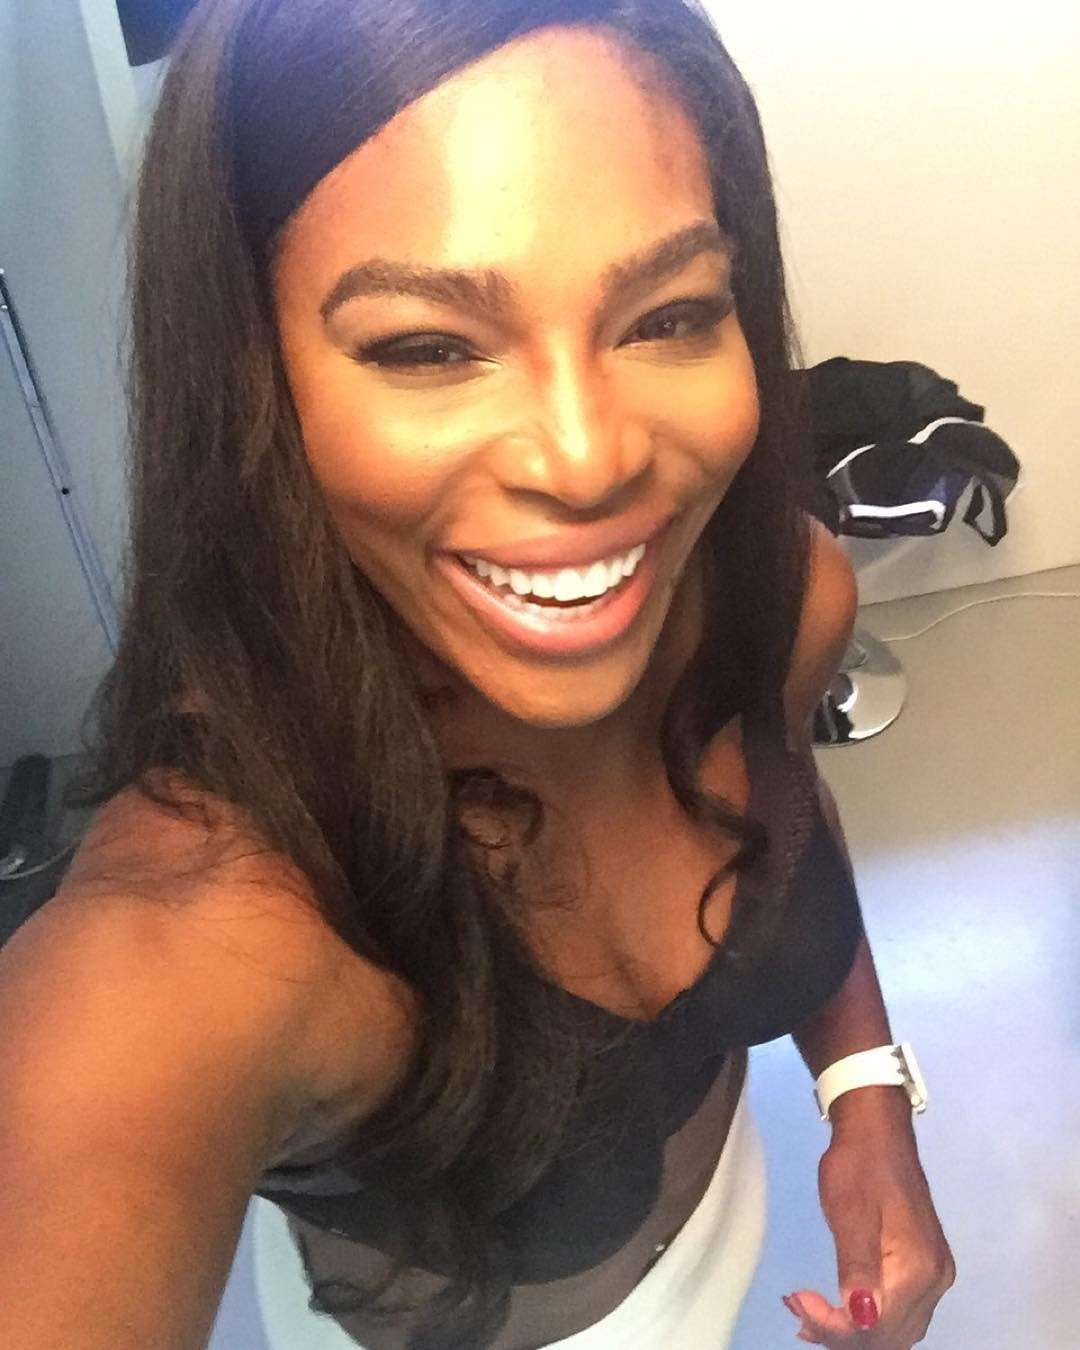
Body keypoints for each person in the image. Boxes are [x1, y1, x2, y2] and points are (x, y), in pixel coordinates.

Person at [0, 1, 956, 1347]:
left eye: (669, 315)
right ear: (256, 378)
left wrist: (866, 1092)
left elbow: (786, 803)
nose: (588, 460)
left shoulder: (787, 600)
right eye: (429, 346)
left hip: (731, 1252)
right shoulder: (197, 940)